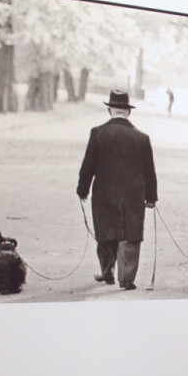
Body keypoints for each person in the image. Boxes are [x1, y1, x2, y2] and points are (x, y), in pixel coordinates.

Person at [77, 90, 158, 290]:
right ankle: (127, 278)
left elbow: (89, 165)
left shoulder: (98, 133)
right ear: (128, 112)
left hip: (104, 193)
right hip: (133, 194)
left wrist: (82, 189)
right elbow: (150, 171)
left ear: (110, 110)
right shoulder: (142, 138)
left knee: (106, 232)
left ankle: (107, 273)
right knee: (131, 234)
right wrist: (151, 197)